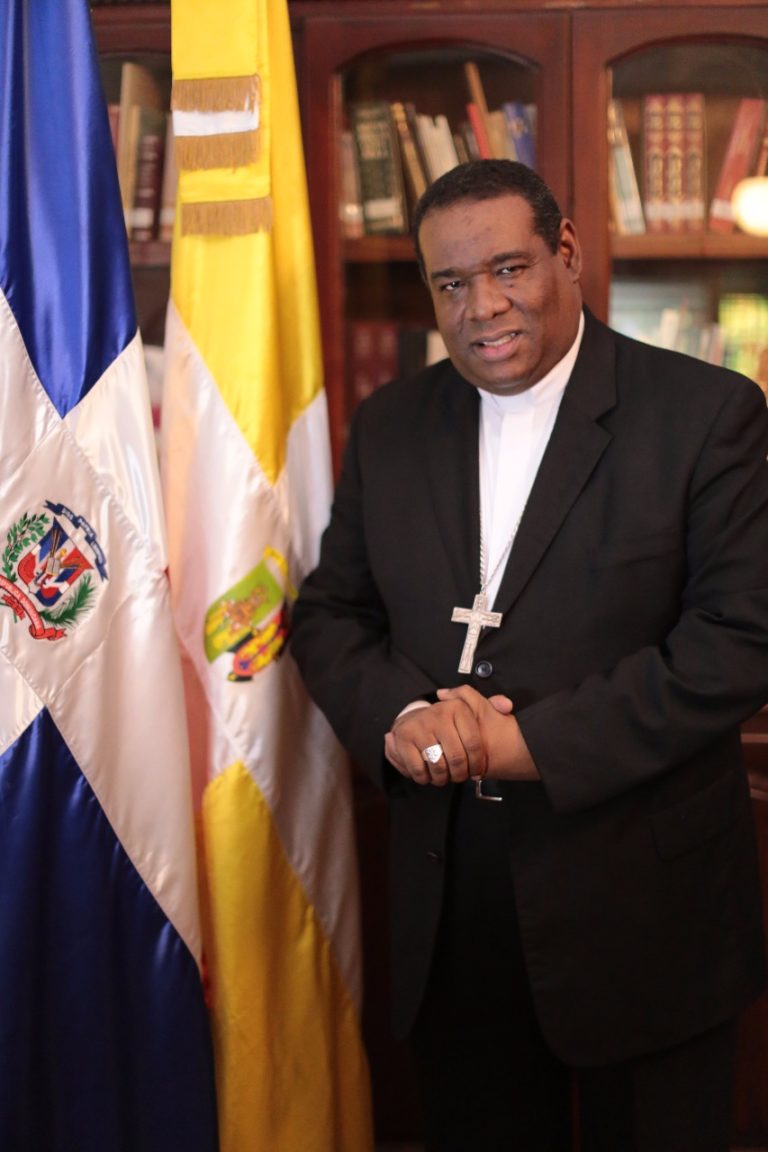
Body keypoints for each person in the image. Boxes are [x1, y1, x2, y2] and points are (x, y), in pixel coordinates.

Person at [291, 160, 768, 1151]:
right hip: (451, 897)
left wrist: (526, 745)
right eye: (452, 283)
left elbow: (737, 641)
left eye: (510, 267)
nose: (484, 306)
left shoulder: (706, 414)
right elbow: (332, 612)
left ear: (568, 254)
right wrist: (403, 716)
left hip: (642, 902)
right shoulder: (391, 424)